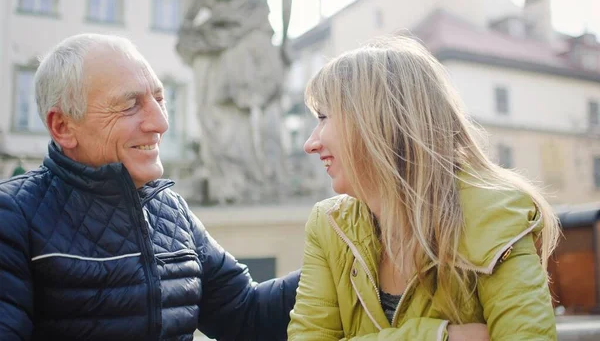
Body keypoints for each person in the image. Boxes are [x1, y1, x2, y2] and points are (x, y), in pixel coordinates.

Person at [0, 33, 299, 341]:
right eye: (130, 105)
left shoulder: (169, 208)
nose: (160, 123)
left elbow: (246, 314)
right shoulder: (12, 216)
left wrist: (339, 252)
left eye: (159, 100)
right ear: (63, 127)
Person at [288, 36, 559, 340]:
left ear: (378, 122)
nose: (310, 144)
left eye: (323, 117)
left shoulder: (495, 214)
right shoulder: (329, 225)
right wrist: (441, 337)